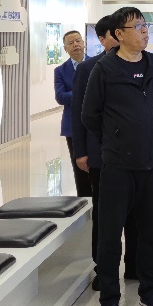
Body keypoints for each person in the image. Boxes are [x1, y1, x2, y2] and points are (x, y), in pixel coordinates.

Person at [81, 7, 153, 306]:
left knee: (150, 232)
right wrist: (116, 139)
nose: (145, 31)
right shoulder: (104, 69)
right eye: (138, 26)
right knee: (110, 233)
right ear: (119, 34)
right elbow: (89, 115)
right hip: (117, 166)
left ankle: (149, 292)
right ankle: (109, 299)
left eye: (145, 26)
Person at [71, 15, 137, 287]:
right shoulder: (89, 68)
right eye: (115, 33)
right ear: (105, 38)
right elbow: (80, 113)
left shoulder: (142, 64)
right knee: (105, 214)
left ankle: (134, 265)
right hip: (102, 154)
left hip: (136, 155)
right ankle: (103, 269)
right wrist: (81, 151)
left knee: (135, 212)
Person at [54, 29, 92, 197]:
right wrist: (86, 93)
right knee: (80, 168)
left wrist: (76, 94)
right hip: (73, 127)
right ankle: (84, 203)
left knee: (98, 167)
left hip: (96, 124)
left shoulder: (98, 64)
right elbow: (60, 96)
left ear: (83, 43)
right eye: (71, 43)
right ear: (65, 49)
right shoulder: (61, 70)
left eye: (78, 41)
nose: (75, 45)